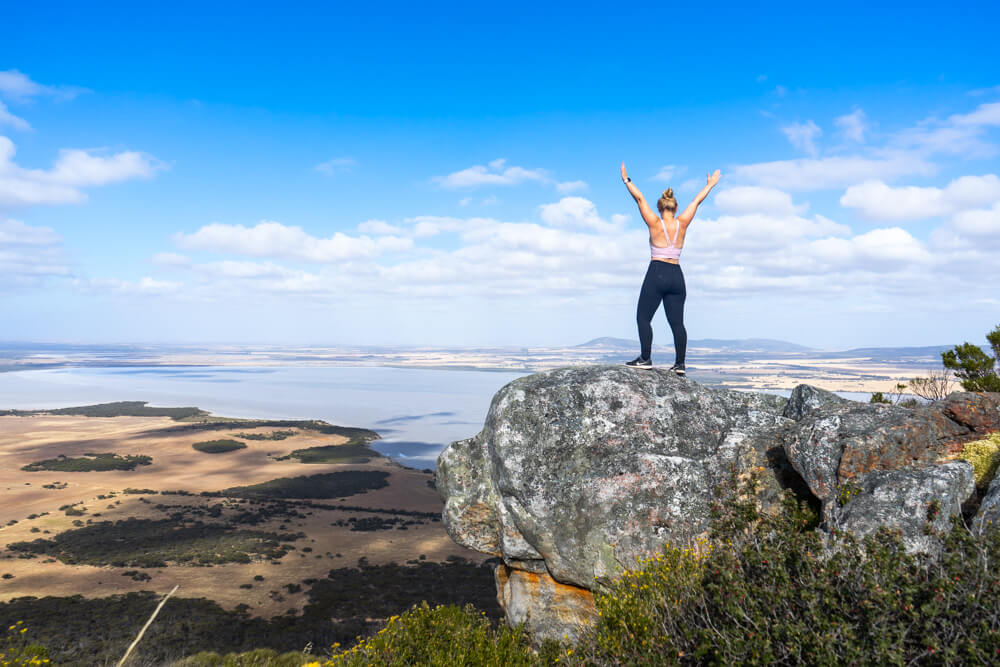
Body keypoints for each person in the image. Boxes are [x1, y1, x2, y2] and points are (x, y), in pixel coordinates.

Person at [620, 161, 721, 375]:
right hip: (677, 275)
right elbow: (696, 201)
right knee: (677, 323)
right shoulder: (682, 223)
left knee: (643, 318)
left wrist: (626, 180)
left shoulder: (655, 223)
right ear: (675, 208)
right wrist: (710, 184)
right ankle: (680, 365)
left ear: (659, 207)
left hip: (657, 273)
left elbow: (639, 198)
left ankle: (646, 358)